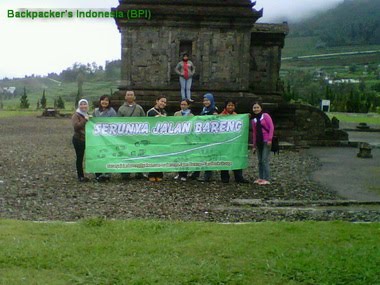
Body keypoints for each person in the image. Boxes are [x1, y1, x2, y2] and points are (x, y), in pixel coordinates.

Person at [117, 90, 146, 180]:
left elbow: (144, 121)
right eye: (128, 95)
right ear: (125, 97)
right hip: (125, 137)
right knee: (125, 153)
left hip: (137, 136)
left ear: (134, 97)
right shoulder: (121, 109)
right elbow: (117, 123)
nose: (129, 96)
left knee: (138, 153)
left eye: (131, 95)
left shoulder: (139, 108)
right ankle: (125, 172)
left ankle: (139, 172)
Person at [190, 93, 218, 182]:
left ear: (211, 100)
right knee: (199, 154)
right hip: (202, 135)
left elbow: (215, 120)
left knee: (208, 155)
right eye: (204, 100)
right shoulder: (204, 109)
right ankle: (196, 173)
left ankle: (207, 175)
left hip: (210, 136)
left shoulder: (214, 109)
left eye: (207, 100)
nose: (205, 102)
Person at [219, 100, 249, 184]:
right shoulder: (220, 116)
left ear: (234, 107)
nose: (230, 107)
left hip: (235, 141)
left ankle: (238, 177)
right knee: (224, 158)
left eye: (232, 105)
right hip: (224, 141)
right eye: (228, 105)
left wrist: (246, 117)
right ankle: (225, 177)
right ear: (225, 106)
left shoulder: (238, 116)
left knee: (237, 157)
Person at [92, 95, 117, 182]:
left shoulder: (112, 111)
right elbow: (91, 123)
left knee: (107, 155)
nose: (104, 102)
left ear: (109, 102)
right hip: (97, 138)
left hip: (108, 138)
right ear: (100, 101)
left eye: (106, 100)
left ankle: (107, 174)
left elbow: (114, 124)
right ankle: (98, 173)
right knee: (98, 154)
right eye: (103, 100)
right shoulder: (95, 111)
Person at [252, 102, 274, 185]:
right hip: (258, 142)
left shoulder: (265, 116)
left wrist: (270, 139)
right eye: (254, 107)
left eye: (257, 107)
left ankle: (266, 178)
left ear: (261, 108)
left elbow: (271, 127)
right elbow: (254, 133)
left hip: (266, 140)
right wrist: (254, 145)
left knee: (264, 160)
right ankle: (261, 177)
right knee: (260, 161)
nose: (256, 109)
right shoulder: (253, 120)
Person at [147, 95, 167, 182]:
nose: (163, 103)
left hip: (161, 137)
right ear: (157, 101)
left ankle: (159, 173)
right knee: (152, 155)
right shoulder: (151, 112)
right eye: (162, 101)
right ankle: (151, 173)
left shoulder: (164, 112)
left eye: (165, 102)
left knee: (161, 155)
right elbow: (147, 124)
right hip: (152, 136)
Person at [174, 99, 194, 181]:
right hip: (178, 138)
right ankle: (178, 173)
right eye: (182, 104)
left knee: (185, 156)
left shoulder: (191, 115)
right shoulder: (176, 114)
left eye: (185, 104)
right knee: (178, 155)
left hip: (186, 138)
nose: (183, 106)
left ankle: (184, 174)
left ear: (188, 105)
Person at [72, 99, 90, 182]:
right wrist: (85, 120)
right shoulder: (76, 115)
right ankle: (80, 176)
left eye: (85, 104)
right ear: (79, 106)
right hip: (78, 139)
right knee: (80, 158)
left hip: (87, 139)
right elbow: (76, 127)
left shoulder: (87, 114)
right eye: (81, 104)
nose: (83, 106)